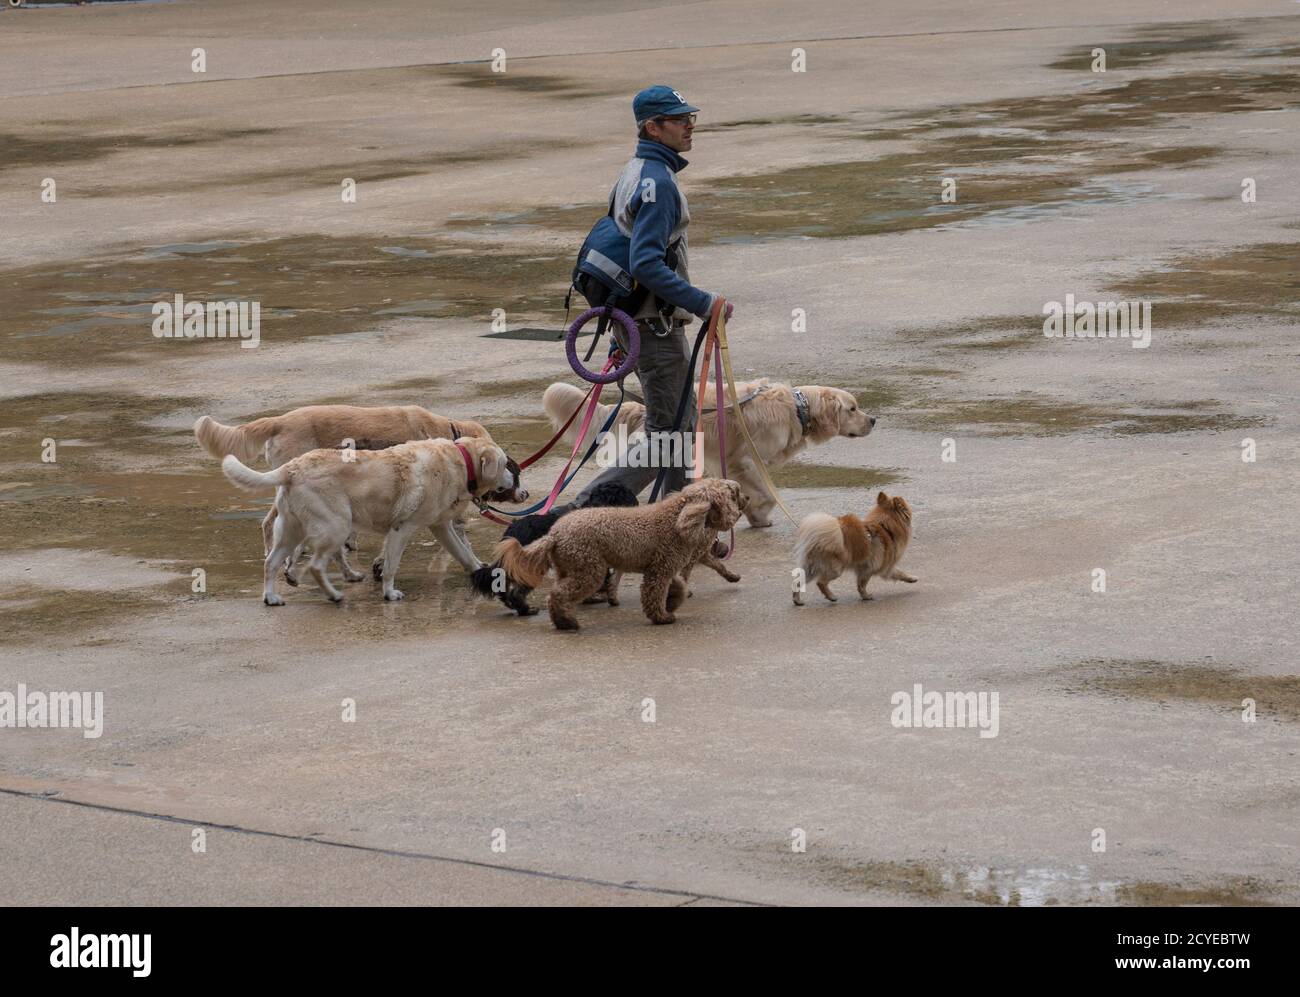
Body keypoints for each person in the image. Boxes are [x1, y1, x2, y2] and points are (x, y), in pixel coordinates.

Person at [566, 85, 732, 507]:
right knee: (667, 435)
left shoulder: (636, 170)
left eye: (690, 117)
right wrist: (703, 302)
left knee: (678, 425)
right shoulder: (658, 183)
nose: (690, 126)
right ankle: (582, 514)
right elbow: (645, 264)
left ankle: (681, 520)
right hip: (653, 327)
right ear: (652, 127)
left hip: (637, 323)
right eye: (679, 120)